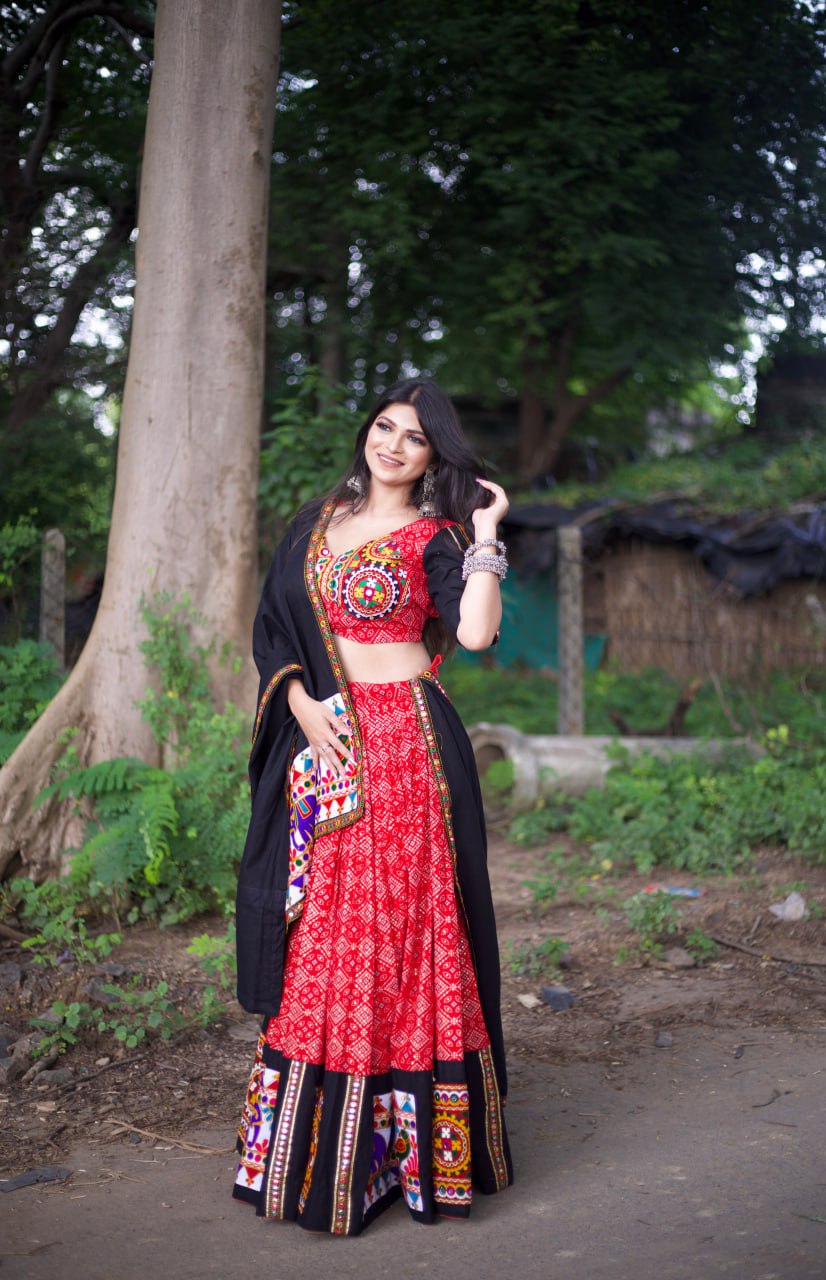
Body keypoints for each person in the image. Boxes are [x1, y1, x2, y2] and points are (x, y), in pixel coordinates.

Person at [232, 378, 513, 1236]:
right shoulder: (317, 524)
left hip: (406, 747)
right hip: (326, 743)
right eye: (384, 426)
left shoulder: (434, 537)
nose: (392, 444)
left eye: (415, 438)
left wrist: (489, 538)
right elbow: (274, 629)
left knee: (404, 932)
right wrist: (297, 702)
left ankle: (412, 1156)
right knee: (325, 929)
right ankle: (316, 1155)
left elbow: (472, 635)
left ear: (435, 456)